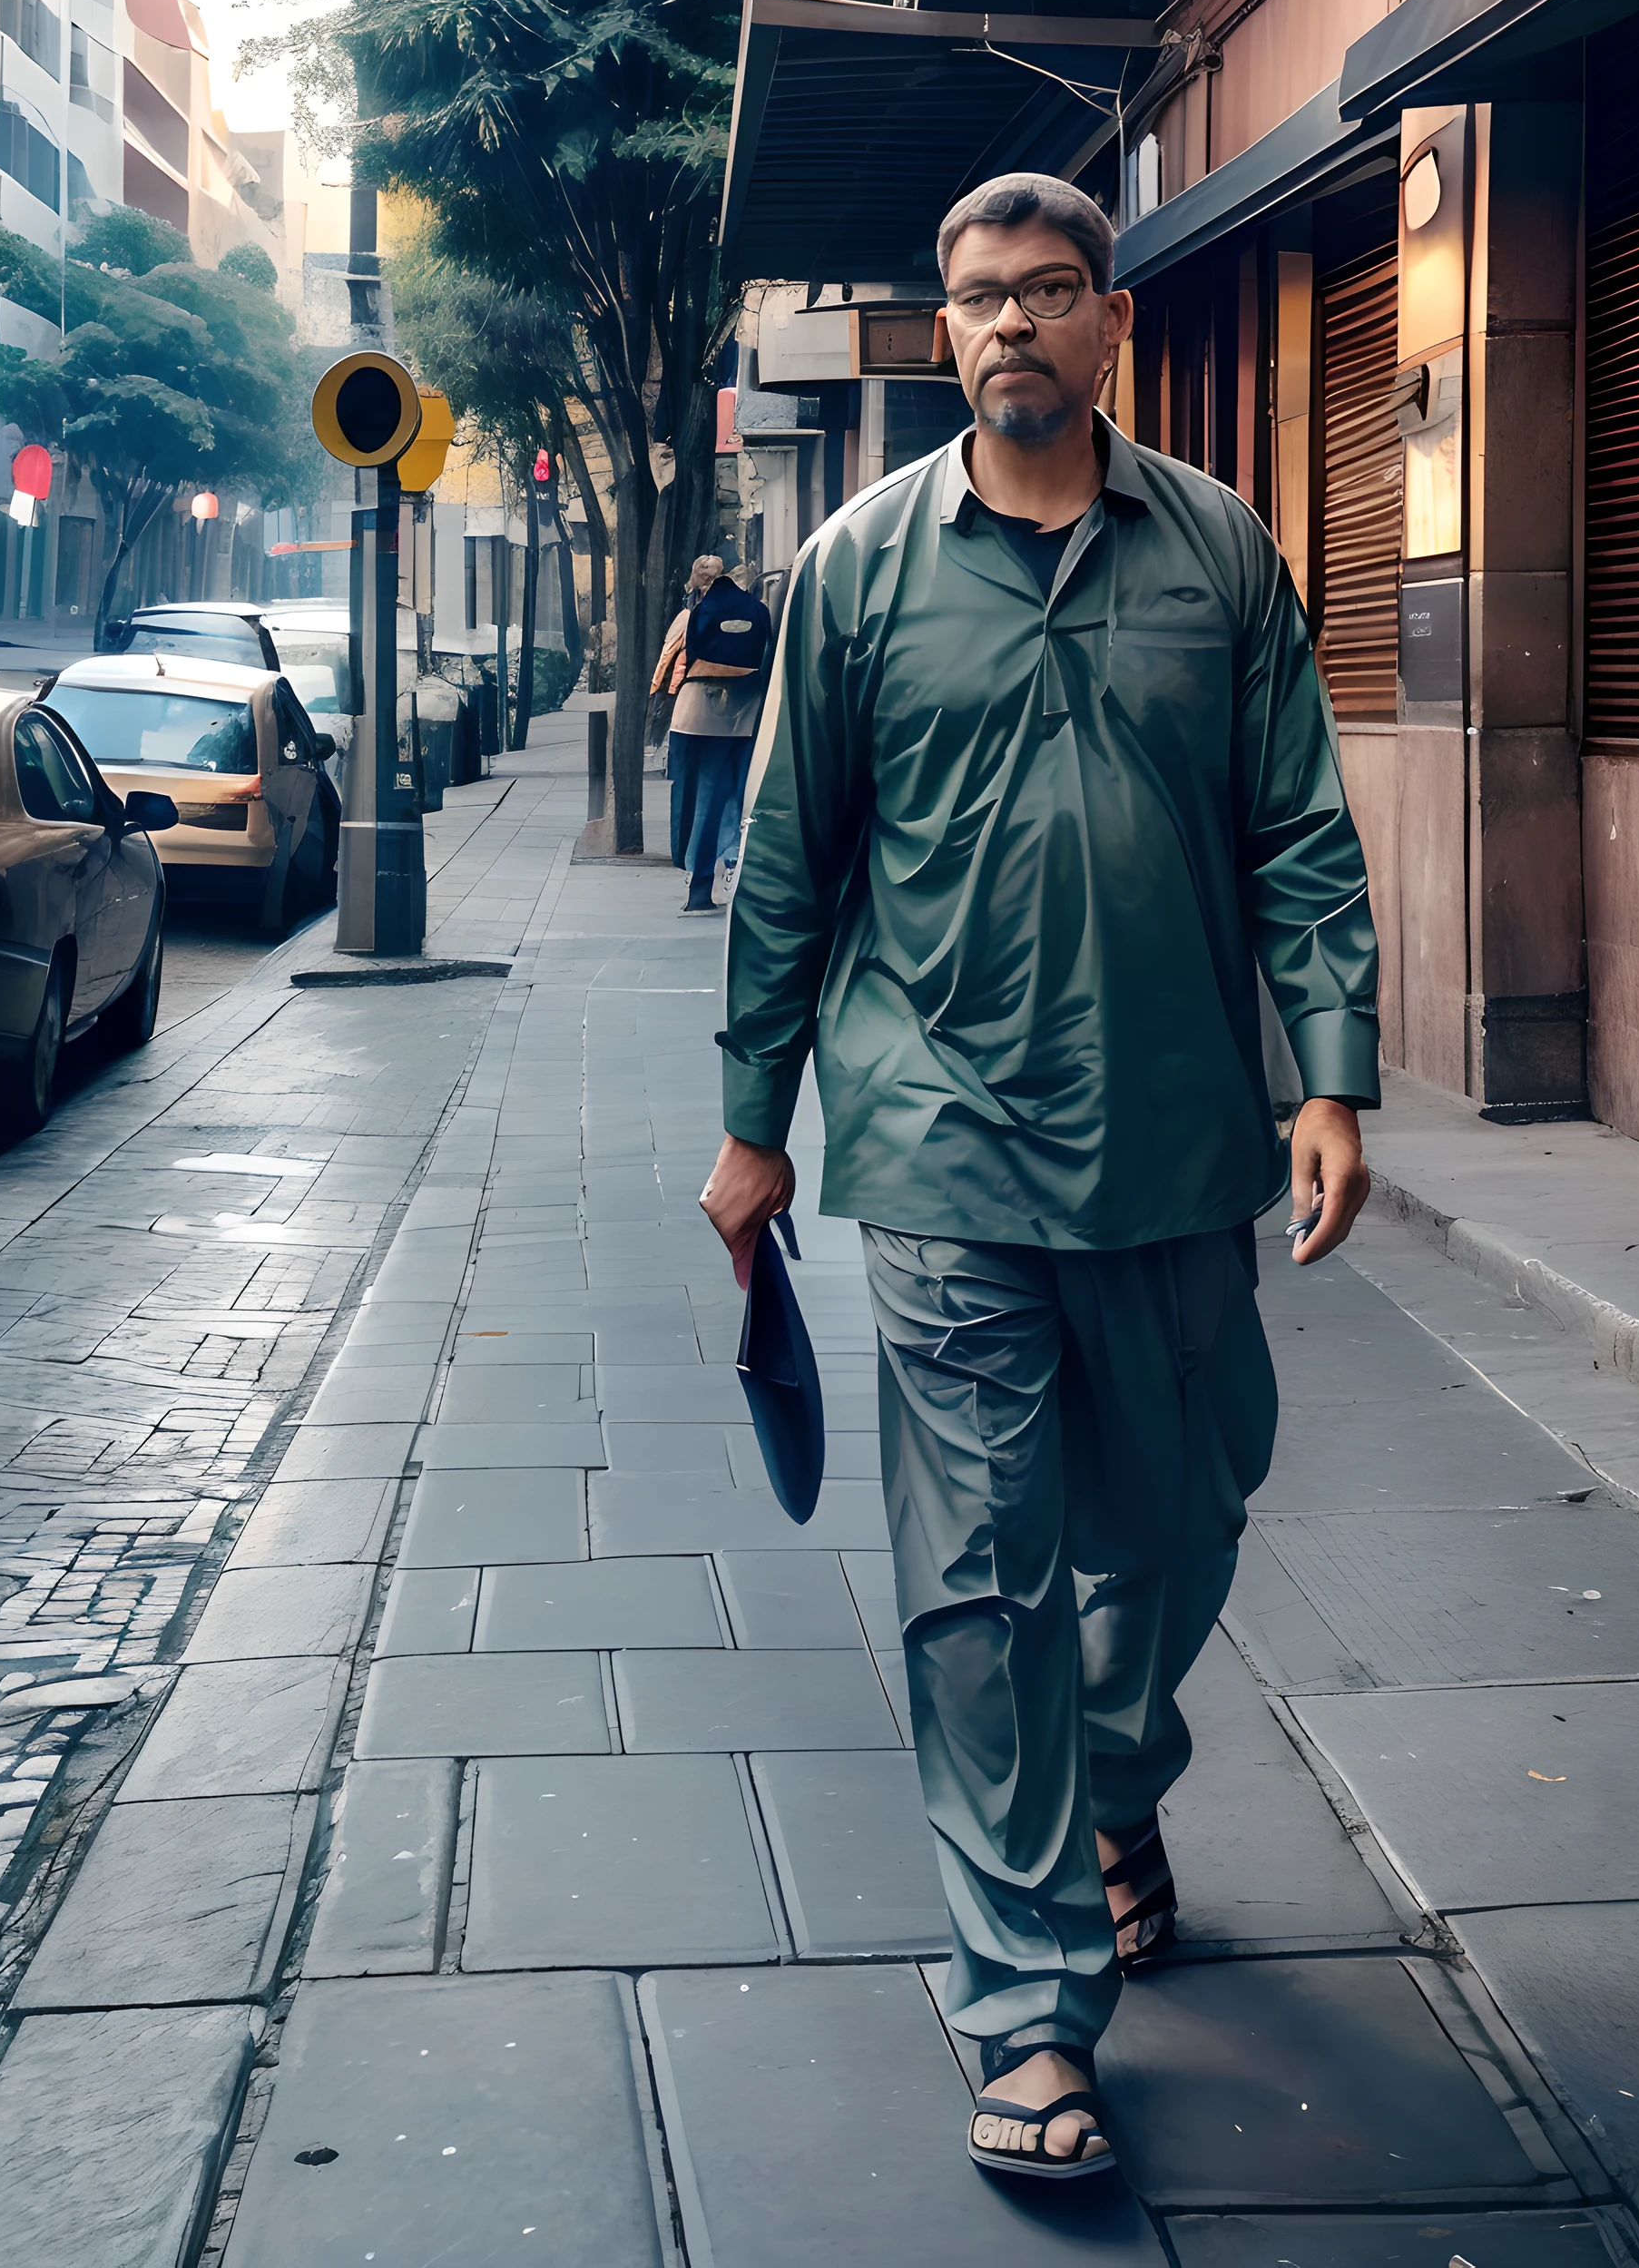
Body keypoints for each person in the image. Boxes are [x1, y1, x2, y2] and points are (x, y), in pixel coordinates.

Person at [700, 172, 1377, 2185]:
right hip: (937, 1143)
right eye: (978, 298)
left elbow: (1298, 834)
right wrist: (755, 1126)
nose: (1009, 326)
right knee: (979, 1580)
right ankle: (1029, 2012)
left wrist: (1327, 1076)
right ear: (943, 326)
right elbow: (787, 865)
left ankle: (1106, 1783)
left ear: (1109, 324)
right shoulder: (855, 569)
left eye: (1048, 293)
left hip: (1177, 1140)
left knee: (1183, 1520)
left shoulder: (1226, 555)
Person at [671, 566, 772, 915]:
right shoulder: (759, 611)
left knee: (705, 799)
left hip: (703, 715)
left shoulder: (701, 611)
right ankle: (735, 873)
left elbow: (691, 653)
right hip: (750, 713)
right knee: (743, 797)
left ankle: (699, 884)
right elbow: (769, 658)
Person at [652, 555, 725, 872]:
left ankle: (683, 853)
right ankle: (711, 856)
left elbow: (666, 666)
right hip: (729, 712)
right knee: (717, 785)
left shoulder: (687, 616)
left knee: (684, 783)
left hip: (687, 706)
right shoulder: (735, 611)